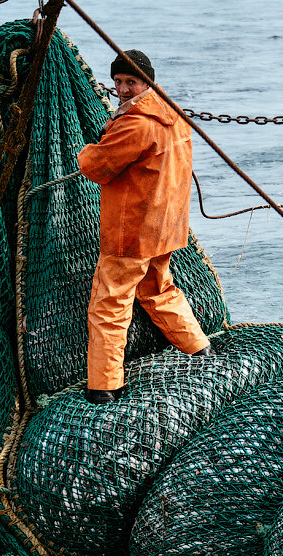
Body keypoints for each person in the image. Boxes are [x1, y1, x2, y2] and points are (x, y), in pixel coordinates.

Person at [77, 49, 211, 404]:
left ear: (145, 81)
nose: (122, 89)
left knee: (110, 303)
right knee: (158, 288)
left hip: (132, 232)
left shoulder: (136, 123)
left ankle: (104, 386)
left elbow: (97, 166)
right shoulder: (172, 112)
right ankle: (198, 348)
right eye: (118, 81)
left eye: (130, 81)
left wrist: (84, 151)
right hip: (165, 228)